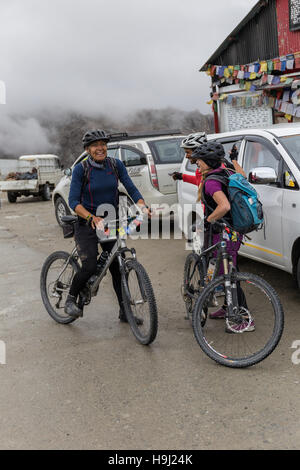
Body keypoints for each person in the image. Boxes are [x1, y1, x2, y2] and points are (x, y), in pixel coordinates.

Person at [65, 129, 150, 320]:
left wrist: (142, 204)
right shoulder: (81, 169)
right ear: (87, 149)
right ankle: (70, 298)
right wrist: (91, 218)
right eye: (95, 145)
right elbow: (73, 202)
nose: (100, 148)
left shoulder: (115, 164)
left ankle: (124, 312)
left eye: (103, 144)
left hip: (110, 221)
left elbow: (130, 186)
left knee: (117, 267)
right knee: (89, 265)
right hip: (86, 222)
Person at [191, 142, 254, 332]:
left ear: (208, 161)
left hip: (224, 232)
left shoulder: (211, 181)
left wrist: (207, 221)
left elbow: (224, 206)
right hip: (234, 231)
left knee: (230, 276)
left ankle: (244, 318)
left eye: (199, 161)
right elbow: (242, 177)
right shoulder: (225, 170)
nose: (197, 165)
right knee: (225, 271)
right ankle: (228, 307)